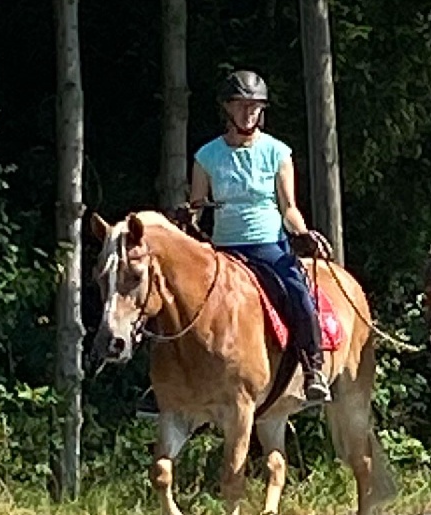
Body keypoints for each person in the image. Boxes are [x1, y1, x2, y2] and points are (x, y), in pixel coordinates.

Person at [139, 69, 331, 418]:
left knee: (299, 292)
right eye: (241, 105)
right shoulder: (207, 156)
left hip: (267, 246)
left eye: (255, 106)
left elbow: (288, 207)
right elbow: (198, 206)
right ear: (227, 108)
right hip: (224, 250)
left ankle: (313, 367)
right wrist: (186, 216)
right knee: (170, 299)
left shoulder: (277, 152)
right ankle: (162, 384)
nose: (249, 112)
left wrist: (302, 233)